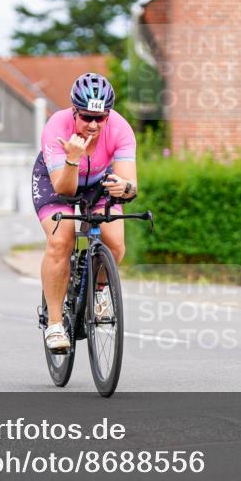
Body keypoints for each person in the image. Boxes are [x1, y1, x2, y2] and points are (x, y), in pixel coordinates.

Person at [32, 73, 138, 352]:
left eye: (100, 118)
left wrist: (125, 188)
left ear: (108, 115)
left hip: (98, 180)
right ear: (74, 112)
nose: (93, 124)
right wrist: (72, 159)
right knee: (61, 240)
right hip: (59, 176)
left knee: (114, 241)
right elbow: (64, 188)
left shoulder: (121, 129)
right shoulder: (57, 126)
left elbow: (129, 184)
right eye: (86, 117)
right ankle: (55, 323)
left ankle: (99, 291)